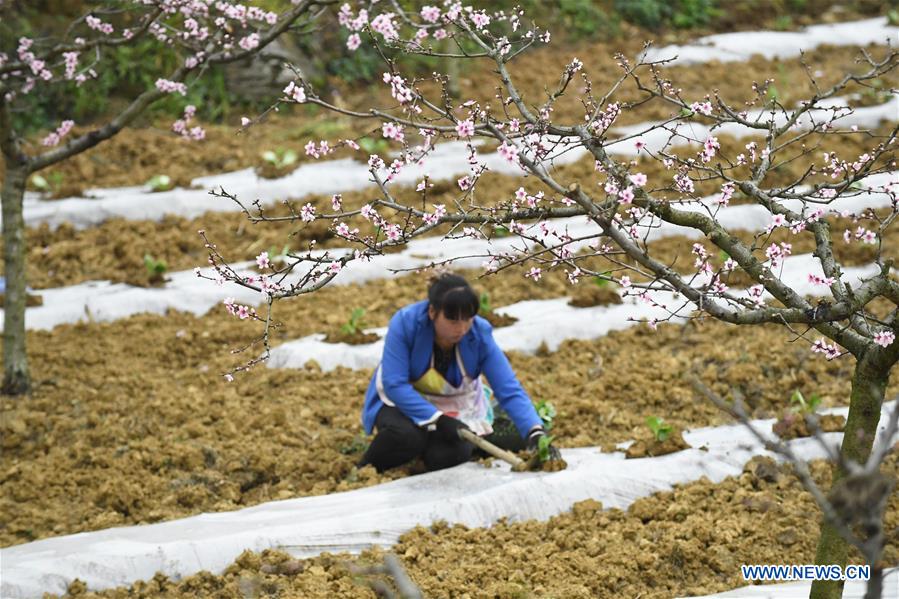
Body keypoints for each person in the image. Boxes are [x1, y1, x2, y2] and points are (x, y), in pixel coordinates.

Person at [358, 273, 559, 473]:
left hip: (454, 404)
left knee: (449, 454)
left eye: (467, 319)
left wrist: (534, 431)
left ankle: (424, 453)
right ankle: (365, 468)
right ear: (432, 312)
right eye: (452, 320)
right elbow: (395, 384)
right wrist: (438, 419)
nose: (462, 329)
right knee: (406, 437)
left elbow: (508, 387)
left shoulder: (479, 334)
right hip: (402, 401)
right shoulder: (406, 324)